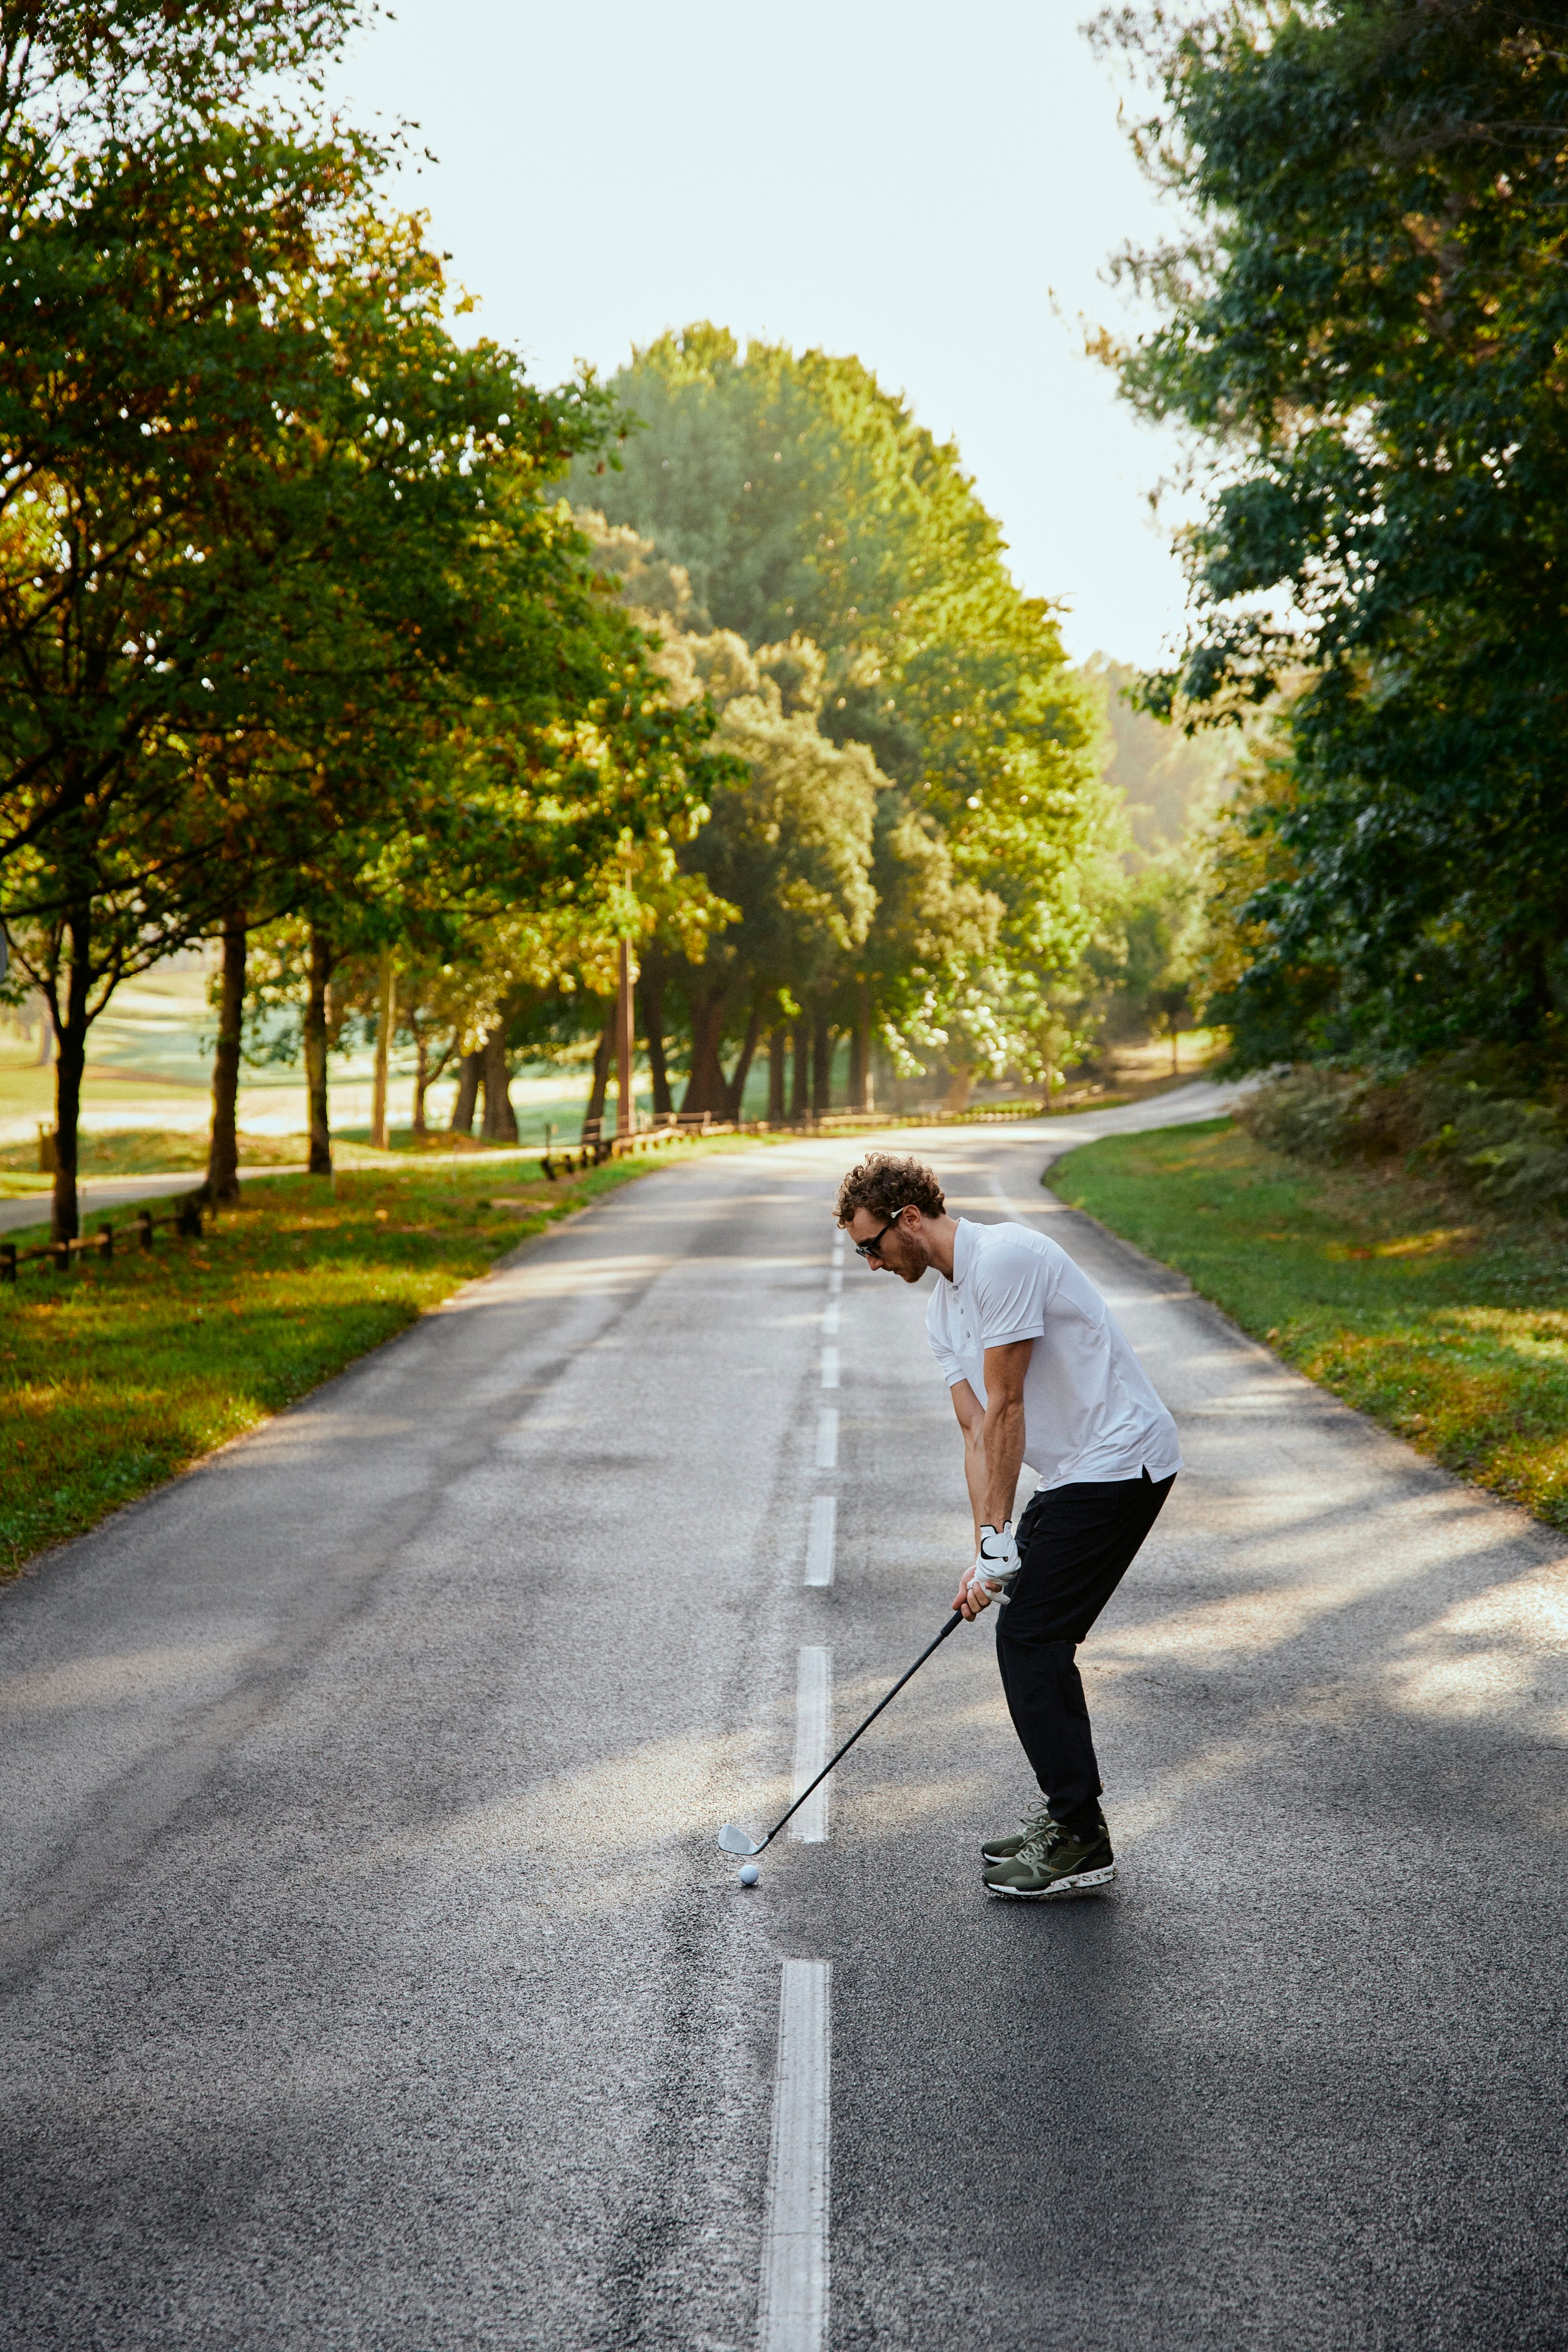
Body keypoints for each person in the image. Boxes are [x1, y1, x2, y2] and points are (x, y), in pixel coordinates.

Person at [834, 1150, 1181, 1900]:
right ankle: (1068, 1817)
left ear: (911, 1219)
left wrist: (1002, 1543)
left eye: (871, 1246)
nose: (869, 1264)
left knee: (1032, 1638)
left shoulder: (1006, 1259)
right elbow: (974, 1434)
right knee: (1029, 1631)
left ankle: (1078, 1835)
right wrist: (986, 1552)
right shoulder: (940, 1310)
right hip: (1074, 1473)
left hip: (1123, 1459)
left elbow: (1010, 1406)